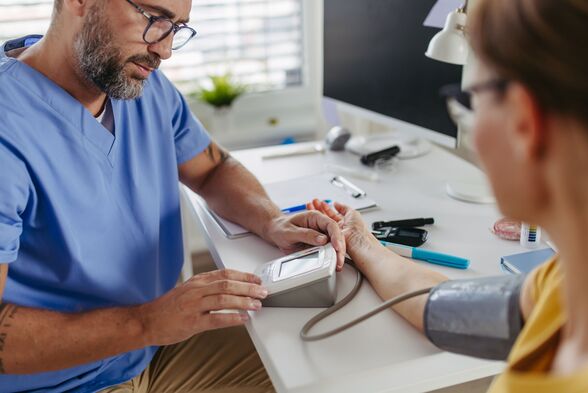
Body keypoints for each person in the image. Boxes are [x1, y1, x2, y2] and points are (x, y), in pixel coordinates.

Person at [0, 0, 346, 391]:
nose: (164, 49)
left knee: (329, 363)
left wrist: (273, 220)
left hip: (152, 351)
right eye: (153, 18)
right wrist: (148, 322)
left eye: (177, 28)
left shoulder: (138, 84)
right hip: (60, 384)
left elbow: (213, 169)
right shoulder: (9, 126)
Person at [308, 0, 588, 391]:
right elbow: (438, 306)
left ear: (525, 124)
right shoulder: (564, 280)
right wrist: (360, 241)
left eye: (467, 101)